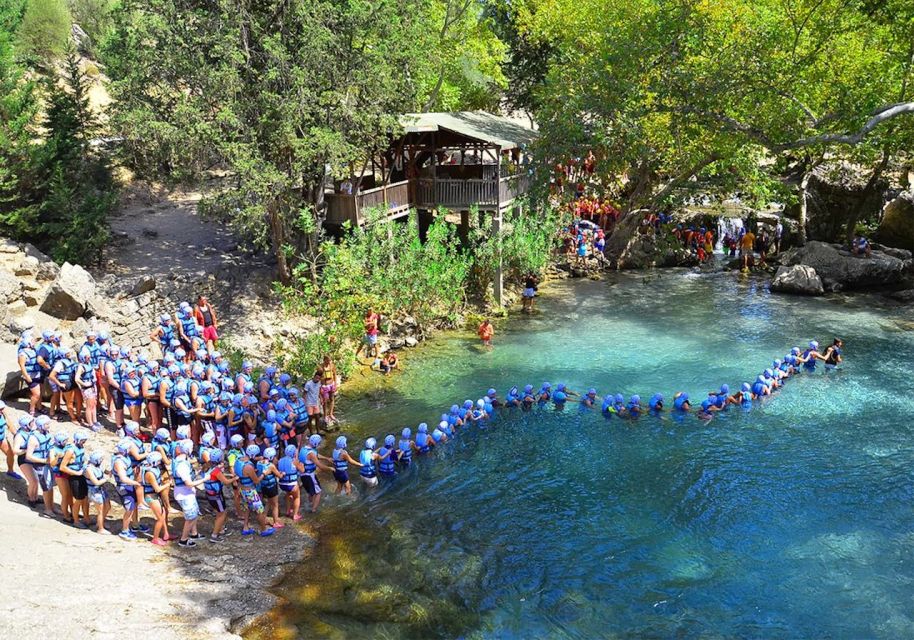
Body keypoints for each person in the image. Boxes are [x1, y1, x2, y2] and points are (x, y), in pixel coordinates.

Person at [234, 445, 275, 537]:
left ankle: (245, 527)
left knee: (247, 508)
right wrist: (264, 474)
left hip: (242, 488)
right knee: (260, 511)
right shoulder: (249, 466)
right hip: (250, 491)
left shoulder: (238, 460)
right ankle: (263, 530)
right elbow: (256, 481)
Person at [172, 439, 206, 547]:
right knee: (190, 518)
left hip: (187, 493)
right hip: (184, 494)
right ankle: (184, 539)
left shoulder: (180, 459)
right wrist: (204, 479)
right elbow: (189, 483)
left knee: (194, 513)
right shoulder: (182, 465)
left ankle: (194, 533)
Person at [142, 452, 172, 546]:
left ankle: (166, 534)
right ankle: (155, 538)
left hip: (155, 495)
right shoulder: (150, 473)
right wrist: (168, 484)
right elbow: (157, 488)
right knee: (160, 518)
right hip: (150, 497)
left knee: (163, 514)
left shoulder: (154, 469)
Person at [204, 449, 234, 542]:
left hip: (210, 495)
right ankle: (214, 535)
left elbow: (219, 476)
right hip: (216, 496)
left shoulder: (207, 466)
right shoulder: (216, 471)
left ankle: (220, 529)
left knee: (219, 512)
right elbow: (226, 482)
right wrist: (235, 478)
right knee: (222, 514)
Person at [298, 434, 331, 513]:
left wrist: (327, 458)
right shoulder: (311, 454)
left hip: (303, 475)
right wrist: (330, 468)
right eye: (319, 443)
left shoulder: (303, 448)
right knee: (318, 492)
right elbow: (320, 466)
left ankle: (309, 504)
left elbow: (316, 455)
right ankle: (313, 510)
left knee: (311, 492)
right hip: (309, 475)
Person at [85, 451, 111, 534]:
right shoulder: (89, 469)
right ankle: (100, 528)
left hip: (101, 489)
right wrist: (106, 479)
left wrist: (108, 471)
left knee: (108, 506)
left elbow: (102, 473)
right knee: (100, 510)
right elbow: (96, 482)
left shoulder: (97, 466)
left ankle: (100, 522)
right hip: (94, 491)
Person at [257, 447, 283, 529]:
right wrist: (283, 473)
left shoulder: (259, 463)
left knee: (269, 501)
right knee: (275, 505)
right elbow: (279, 476)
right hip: (271, 487)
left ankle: (264, 517)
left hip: (264, 487)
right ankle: (276, 522)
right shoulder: (271, 466)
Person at [18, 333, 43, 416]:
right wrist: (26, 376)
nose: (34, 342)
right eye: (32, 341)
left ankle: (39, 407)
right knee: (36, 394)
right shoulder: (23, 353)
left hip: (37, 374)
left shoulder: (33, 350)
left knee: (38, 393)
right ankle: (32, 409)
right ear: (28, 342)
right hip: (30, 375)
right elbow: (22, 366)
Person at [277, 445, 301, 521]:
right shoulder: (294, 461)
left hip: (282, 484)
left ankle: (288, 511)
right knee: (297, 497)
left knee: (288, 494)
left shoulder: (280, 460)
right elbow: (302, 470)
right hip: (292, 484)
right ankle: (295, 515)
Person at [319, 355, 338, 424]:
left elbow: (335, 375)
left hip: (331, 384)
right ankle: (325, 416)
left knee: (332, 399)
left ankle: (331, 414)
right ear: (324, 360)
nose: (329, 362)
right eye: (328, 360)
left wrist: (335, 384)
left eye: (330, 360)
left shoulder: (332, 365)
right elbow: (318, 377)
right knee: (325, 401)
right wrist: (320, 387)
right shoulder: (320, 367)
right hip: (325, 385)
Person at [303, 371, 322, 435]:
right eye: (316, 378)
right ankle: (311, 432)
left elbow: (319, 391)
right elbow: (304, 393)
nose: (317, 379)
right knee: (310, 418)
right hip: (309, 403)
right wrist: (304, 402)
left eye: (319, 378)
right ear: (314, 377)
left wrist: (321, 398)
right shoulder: (308, 384)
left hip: (316, 402)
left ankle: (318, 431)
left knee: (317, 417)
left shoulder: (319, 382)